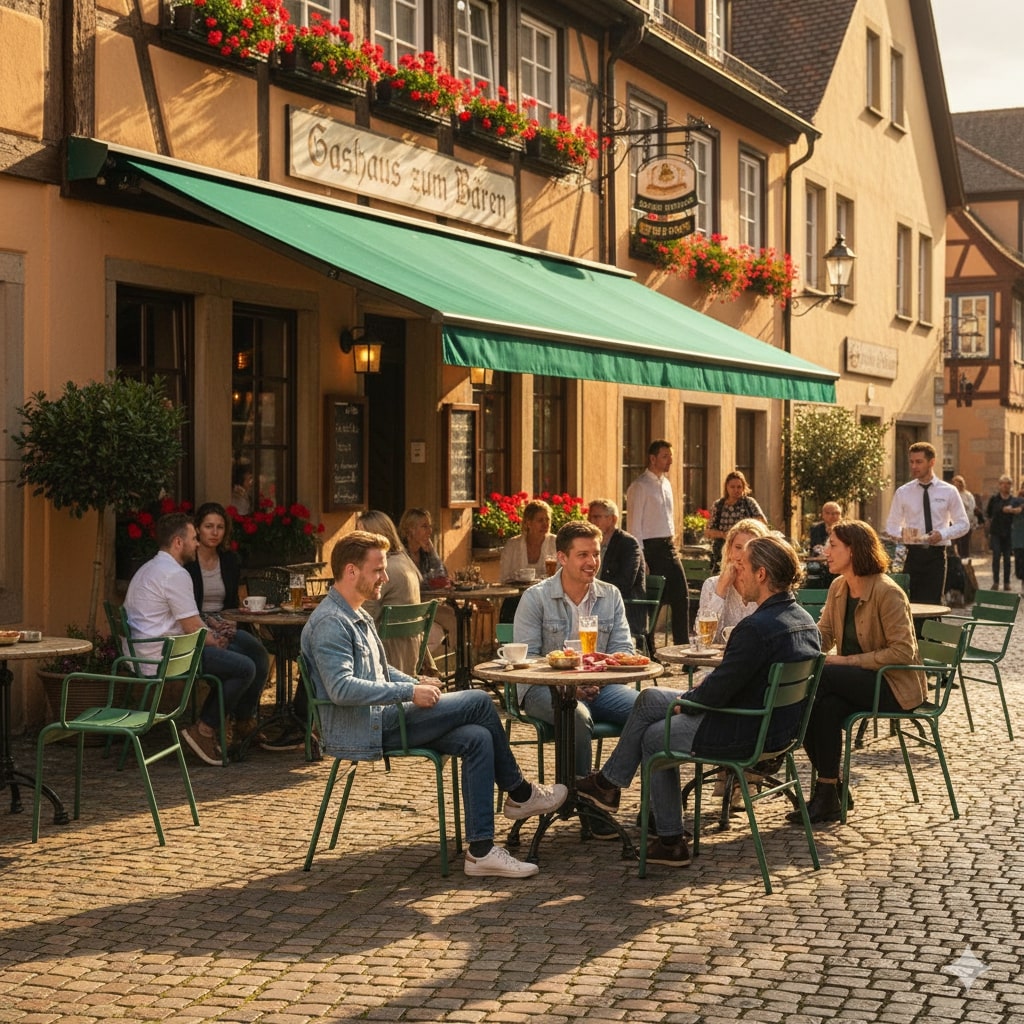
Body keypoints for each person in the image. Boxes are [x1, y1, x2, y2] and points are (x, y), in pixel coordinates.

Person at [300, 530, 568, 878]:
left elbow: (381, 671)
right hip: (366, 728)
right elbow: (341, 690)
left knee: (477, 738)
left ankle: (481, 852)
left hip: (384, 718)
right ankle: (519, 792)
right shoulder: (331, 622)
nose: (385, 576)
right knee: (478, 702)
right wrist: (409, 694)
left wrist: (415, 682)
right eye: (378, 570)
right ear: (352, 572)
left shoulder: (356, 612)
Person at [576, 534, 820, 867]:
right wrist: (690, 700)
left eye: (742, 566)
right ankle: (610, 787)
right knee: (648, 698)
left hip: (741, 729)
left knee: (653, 736)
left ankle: (668, 837)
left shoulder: (755, 628)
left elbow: (717, 692)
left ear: (761, 574)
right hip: (778, 730)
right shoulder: (805, 622)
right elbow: (727, 685)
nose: (738, 573)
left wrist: (687, 703)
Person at [794, 519, 924, 824]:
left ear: (853, 551)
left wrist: (846, 661)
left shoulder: (886, 591)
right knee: (821, 708)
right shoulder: (838, 587)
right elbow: (822, 636)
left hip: (893, 686)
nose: (826, 551)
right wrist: (795, 642)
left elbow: (903, 651)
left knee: (818, 681)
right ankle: (831, 791)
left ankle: (820, 784)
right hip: (852, 685)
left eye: (834, 545)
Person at [124, 512, 263, 767]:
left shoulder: (151, 567)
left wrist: (213, 631)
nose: (197, 543)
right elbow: (193, 630)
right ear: (178, 542)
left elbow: (187, 621)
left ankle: (239, 722)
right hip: (168, 656)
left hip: (151, 650)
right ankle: (205, 729)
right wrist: (214, 640)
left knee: (246, 649)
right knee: (245, 667)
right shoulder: (174, 574)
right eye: (193, 538)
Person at [513, 521, 640, 780]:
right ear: (562, 558)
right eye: (583, 555)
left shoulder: (610, 595)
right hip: (543, 689)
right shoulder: (535, 598)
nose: (592, 561)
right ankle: (577, 797)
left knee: (648, 710)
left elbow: (622, 649)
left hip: (600, 687)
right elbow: (528, 660)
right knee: (575, 714)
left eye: (596, 554)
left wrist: (597, 678)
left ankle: (606, 784)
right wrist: (566, 685)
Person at [185, 502, 271, 754]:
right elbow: (185, 607)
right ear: (198, 529)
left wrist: (231, 621)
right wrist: (210, 625)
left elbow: (232, 601)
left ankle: (245, 719)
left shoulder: (230, 559)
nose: (214, 532)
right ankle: (217, 722)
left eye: (220, 527)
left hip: (225, 622)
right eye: (209, 526)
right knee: (242, 663)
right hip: (198, 625)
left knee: (258, 653)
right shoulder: (189, 561)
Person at [884, 442, 969, 605]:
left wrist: (942, 534)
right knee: (911, 605)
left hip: (936, 556)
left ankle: (932, 630)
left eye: (919, 462)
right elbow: (892, 525)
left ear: (932, 462)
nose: (914, 466)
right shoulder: (903, 492)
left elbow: (963, 524)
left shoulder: (948, 491)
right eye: (911, 462)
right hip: (912, 555)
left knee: (933, 604)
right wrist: (902, 534)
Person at [624, 440, 690, 644]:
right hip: (650, 549)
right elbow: (634, 525)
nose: (670, 460)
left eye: (670, 456)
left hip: (669, 547)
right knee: (653, 603)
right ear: (652, 459)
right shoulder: (639, 486)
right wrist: (642, 559)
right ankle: (649, 650)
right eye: (665, 456)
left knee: (681, 597)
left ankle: (682, 650)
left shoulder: (667, 484)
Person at [355, 510, 430, 676]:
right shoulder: (404, 560)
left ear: (378, 535)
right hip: (408, 655)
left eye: (362, 534)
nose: (357, 540)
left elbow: (363, 616)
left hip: (385, 658)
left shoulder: (383, 569)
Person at [697, 518, 770, 642]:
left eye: (750, 548)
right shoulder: (711, 585)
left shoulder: (768, 585)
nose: (742, 555)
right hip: (719, 660)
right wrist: (721, 590)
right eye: (738, 547)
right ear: (729, 550)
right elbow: (703, 639)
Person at [587, 498, 646, 635]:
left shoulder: (628, 543)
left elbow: (625, 583)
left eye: (596, 517)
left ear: (612, 519)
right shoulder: (591, 543)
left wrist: (594, 592)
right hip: (593, 601)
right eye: (589, 516)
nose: (591, 521)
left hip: (624, 606)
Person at [704, 471, 768, 572]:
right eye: (732, 487)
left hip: (747, 550)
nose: (736, 490)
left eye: (739, 487)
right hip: (723, 552)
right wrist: (724, 534)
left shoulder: (749, 503)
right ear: (727, 487)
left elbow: (762, 523)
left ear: (744, 487)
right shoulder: (719, 505)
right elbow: (708, 532)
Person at [499, 498, 557, 582]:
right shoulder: (512, 545)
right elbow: (504, 578)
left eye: (547, 520)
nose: (545, 524)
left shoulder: (556, 543)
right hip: (517, 594)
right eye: (540, 520)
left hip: (548, 593)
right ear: (528, 523)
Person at [984, 475, 1023, 591]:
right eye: (1003, 483)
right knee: (996, 557)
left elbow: (1021, 505)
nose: (1005, 486)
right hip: (996, 532)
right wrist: (1003, 509)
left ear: (1011, 486)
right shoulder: (994, 499)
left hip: (1009, 533)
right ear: (999, 485)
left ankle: (1006, 582)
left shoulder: (1014, 500)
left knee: (1007, 558)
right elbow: (990, 513)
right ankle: (996, 581)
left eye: (1008, 484)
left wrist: (1018, 508)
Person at [399, 507, 446, 582]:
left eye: (430, 526)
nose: (430, 531)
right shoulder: (400, 553)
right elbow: (412, 581)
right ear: (410, 529)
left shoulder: (425, 552)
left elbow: (442, 575)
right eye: (424, 526)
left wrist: (432, 552)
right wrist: (430, 578)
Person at [806, 501, 843, 589]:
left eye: (836, 513)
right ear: (823, 515)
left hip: (839, 561)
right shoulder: (816, 529)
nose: (833, 516)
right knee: (813, 570)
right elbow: (813, 548)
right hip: (820, 562)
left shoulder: (845, 529)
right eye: (829, 513)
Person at [951, 475, 975, 559]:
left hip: (965, 522)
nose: (957, 486)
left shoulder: (968, 495)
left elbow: (971, 508)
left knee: (964, 545)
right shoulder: (951, 495)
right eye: (955, 484)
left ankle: (965, 562)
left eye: (958, 484)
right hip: (953, 524)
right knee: (954, 545)